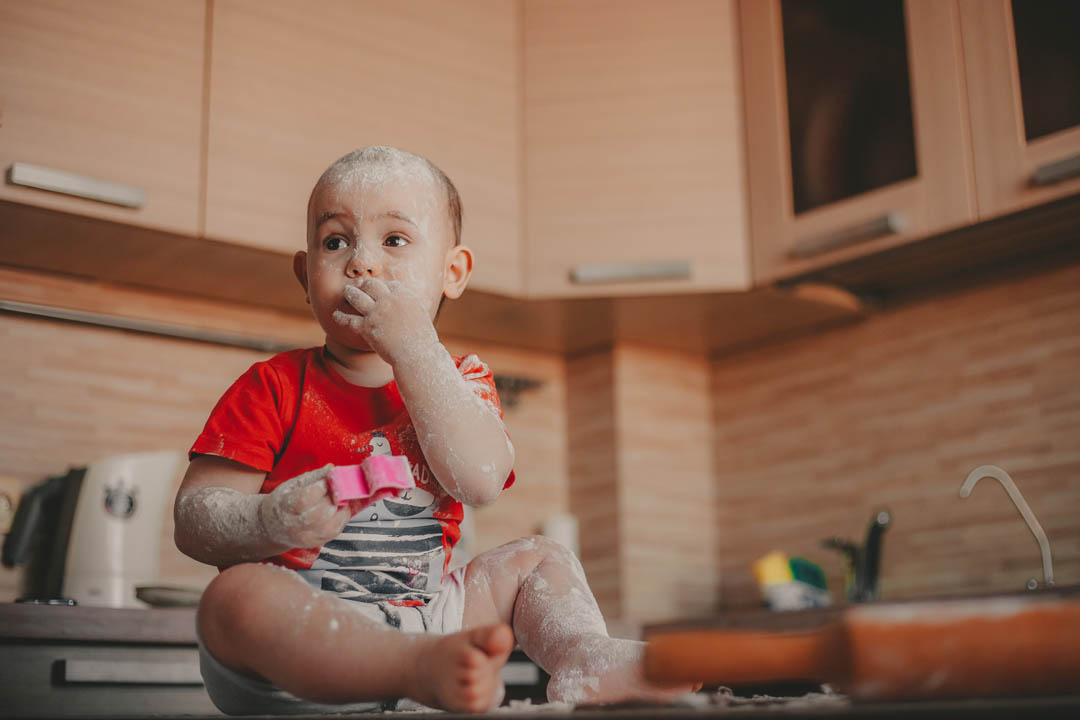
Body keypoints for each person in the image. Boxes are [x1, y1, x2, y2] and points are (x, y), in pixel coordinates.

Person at [174, 146, 695, 714]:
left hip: (427, 619)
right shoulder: (273, 385)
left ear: (453, 273)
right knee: (232, 597)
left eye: (394, 240)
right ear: (306, 276)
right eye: (335, 241)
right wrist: (267, 520)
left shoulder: (463, 380)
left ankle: (586, 658)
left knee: (540, 559)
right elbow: (196, 520)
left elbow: (480, 482)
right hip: (300, 636)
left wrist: (416, 349)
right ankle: (410, 670)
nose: (362, 263)